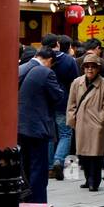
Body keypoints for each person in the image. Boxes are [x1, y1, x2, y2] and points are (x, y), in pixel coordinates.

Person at [18, 47, 66, 205]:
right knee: (38, 169)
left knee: (24, 166)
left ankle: (24, 199)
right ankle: (37, 203)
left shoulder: (20, 68)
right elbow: (57, 96)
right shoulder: (46, 72)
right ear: (50, 60)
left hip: (19, 127)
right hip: (37, 127)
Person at [65, 52, 104, 192]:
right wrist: (72, 119)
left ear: (98, 68)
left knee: (96, 154)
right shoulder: (77, 82)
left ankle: (94, 181)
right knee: (83, 154)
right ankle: (87, 178)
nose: (90, 69)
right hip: (81, 123)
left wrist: (102, 119)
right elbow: (71, 103)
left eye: (93, 67)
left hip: (97, 125)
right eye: (87, 66)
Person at [43, 34, 79, 181]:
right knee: (65, 133)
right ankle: (59, 159)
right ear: (57, 43)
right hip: (64, 101)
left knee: (50, 135)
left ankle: (50, 166)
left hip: (47, 101)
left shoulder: (43, 59)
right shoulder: (68, 60)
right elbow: (75, 82)